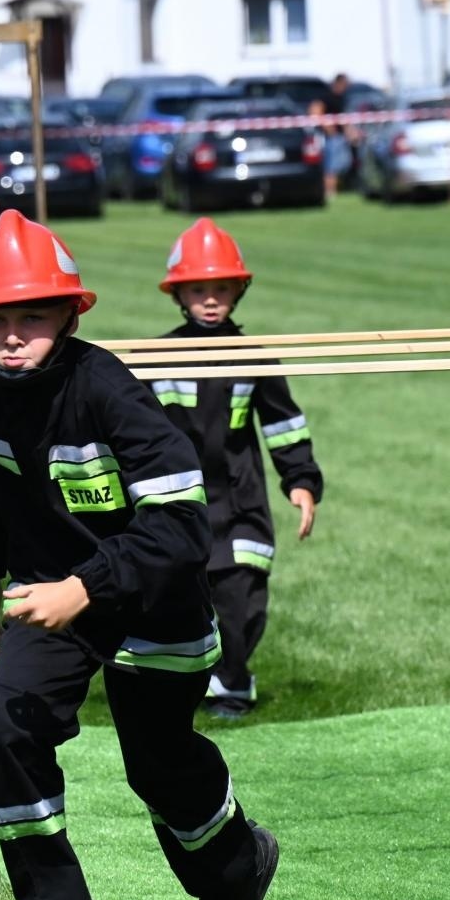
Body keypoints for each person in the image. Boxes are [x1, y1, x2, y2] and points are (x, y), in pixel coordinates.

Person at [0, 210, 279, 900]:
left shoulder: (109, 391)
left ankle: (237, 873)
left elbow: (184, 526)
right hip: (49, 596)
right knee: (10, 734)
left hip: (154, 601)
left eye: (32, 316)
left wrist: (86, 585)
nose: (11, 335)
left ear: (71, 314)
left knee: (158, 769)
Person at [155, 218, 323, 718]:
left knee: (241, 596)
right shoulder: (154, 358)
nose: (211, 300)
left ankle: (232, 684)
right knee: (180, 599)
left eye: (222, 289)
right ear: (178, 294)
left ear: (239, 291)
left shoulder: (254, 359)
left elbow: (284, 425)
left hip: (240, 503)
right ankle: (183, 683)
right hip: (177, 503)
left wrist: (301, 481)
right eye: (198, 290)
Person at [320, 73, 353, 194]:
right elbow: (316, 111)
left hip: (341, 136)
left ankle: (338, 188)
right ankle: (330, 191)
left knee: (344, 164)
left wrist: (350, 132)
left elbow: (343, 118)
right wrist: (329, 129)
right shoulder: (327, 96)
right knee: (331, 167)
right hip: (332, 138)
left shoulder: (342, 97)